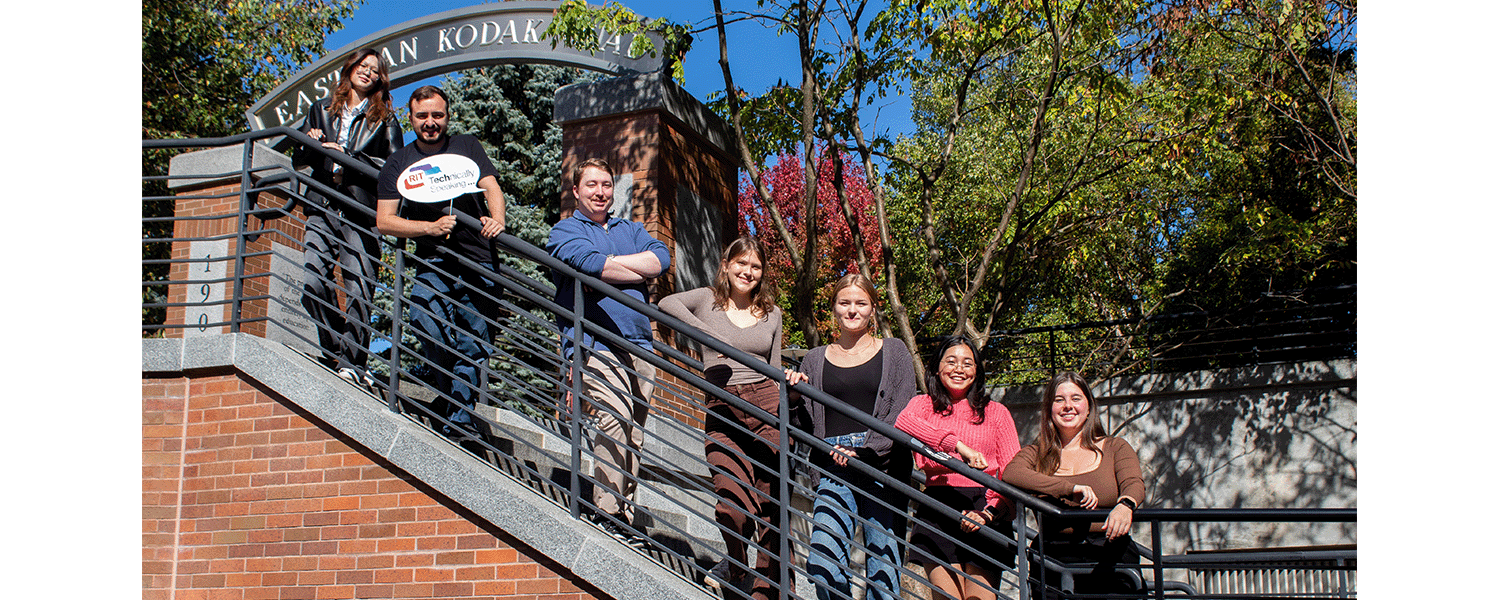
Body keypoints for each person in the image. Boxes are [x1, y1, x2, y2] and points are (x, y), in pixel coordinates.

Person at [547, 157, 669, 547]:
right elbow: (587, 263)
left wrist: (613, 265)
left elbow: (661, 259)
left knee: (634, 434)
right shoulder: (565, 230)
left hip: (639, 343)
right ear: (576, 190)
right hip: (595, 340)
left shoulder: (630, 228)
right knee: (613, 418)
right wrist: (634, 268)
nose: (600, 192)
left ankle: (626, 517)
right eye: (592, 185)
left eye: (605, 185)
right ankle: (607, 511)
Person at [659, 236, 787, 600]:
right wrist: (713, 337)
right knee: (730, 503)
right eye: (741, 263)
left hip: (766, 407)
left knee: (769, 506)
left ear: (762, 274)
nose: (748, 272)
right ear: (726, 265)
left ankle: (765, 590)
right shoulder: (705, 300)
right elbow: (667, 303)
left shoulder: (772, 313)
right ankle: (735, 563)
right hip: (722, 406)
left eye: (756, 266)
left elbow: (775, 368)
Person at [375, 86, 507, 438]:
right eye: (422, 116)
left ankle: (460, 420)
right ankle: (451, 393)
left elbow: (491, 186)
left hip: (479, 259)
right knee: (423, 320)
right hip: (433, 259)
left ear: (447, 116)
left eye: (437, 115)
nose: (431, 123)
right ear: (411, 118)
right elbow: (385, 220)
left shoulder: (466, 146)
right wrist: (428, 227)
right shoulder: (399, 162)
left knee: (474, 341)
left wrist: (497, 219)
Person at [789, 274, 917, 600]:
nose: (852, 310)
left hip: (882, 466)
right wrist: (790, 394)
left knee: (883, 572)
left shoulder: (895, 351)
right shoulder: (815, 358)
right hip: (832, 463)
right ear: (834, 308)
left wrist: (868, 449)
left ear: (873, 308)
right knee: (822, 562)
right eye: (844, 302)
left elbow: (903, 411)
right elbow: (803, 420)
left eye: (860, 303)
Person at [293, 48, 403, 386]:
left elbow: (395, 169)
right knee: (311, 282)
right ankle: (336, 350)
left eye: (375, 69)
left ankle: (353, 363)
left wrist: (352, 157)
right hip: (322, 204)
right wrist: (308, 141)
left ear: (380, 78)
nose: (367, 73)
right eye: (362, 66)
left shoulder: (384, 120)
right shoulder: (320, 110)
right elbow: (299, 160)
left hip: (360, 210)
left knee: (358, 287)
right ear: (350, 68)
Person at [895, 336, 1021, 600]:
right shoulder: (923, 405)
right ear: (937, 367)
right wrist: (959, 447)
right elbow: (903, 422)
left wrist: (989, 513)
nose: (959, 369)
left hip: (985, 507)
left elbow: (1012, 473)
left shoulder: (996, 412)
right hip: (938, 505)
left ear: (977, 371)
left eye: (967, 363)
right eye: (950, 361)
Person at [1002, 371, 1145, 599]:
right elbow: (1012, 474)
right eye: (1059, 400)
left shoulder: (1115, 447)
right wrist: (1070, 488)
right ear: (1050, 409)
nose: (1068, 406)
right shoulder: (1036, 453)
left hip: (1109, 553)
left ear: (1089, 407)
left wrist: (1125, 505)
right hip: (1054, 555)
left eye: (1076, 398)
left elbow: (1133, 483)